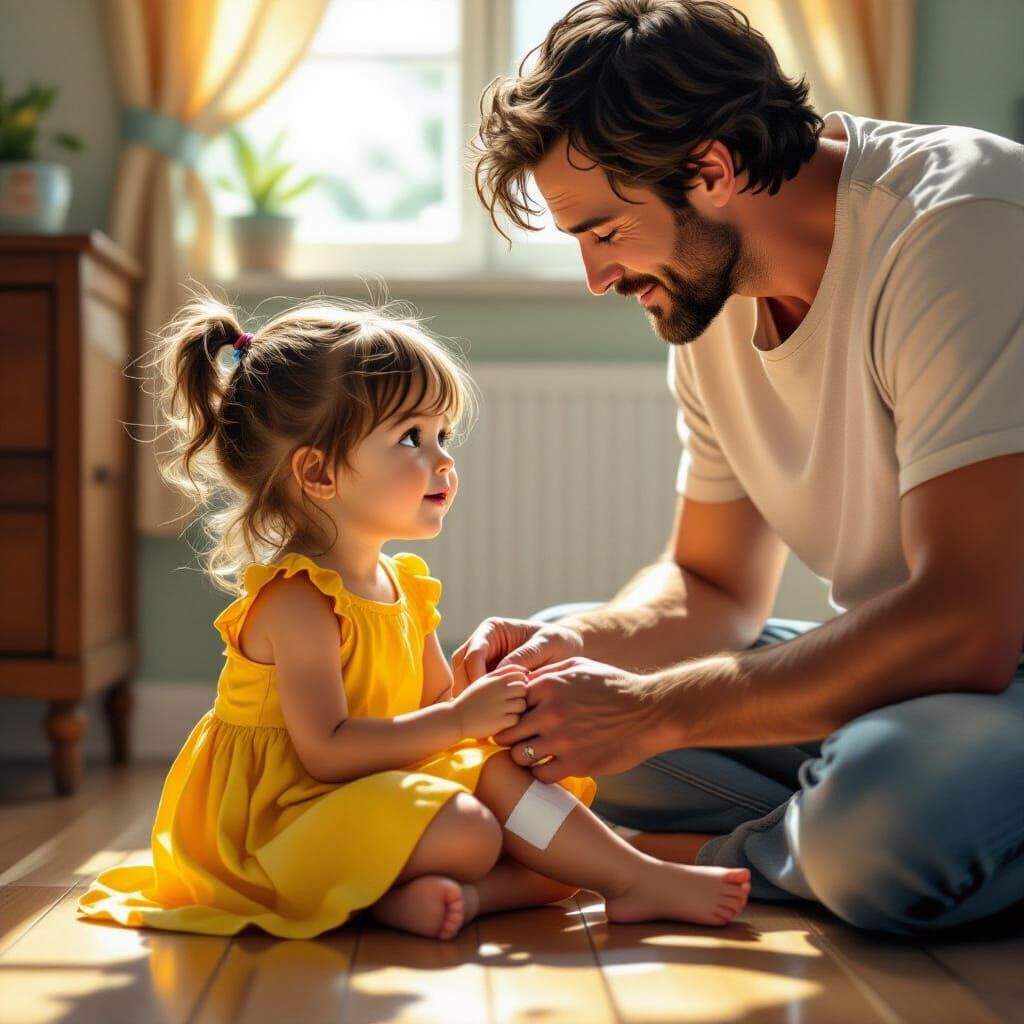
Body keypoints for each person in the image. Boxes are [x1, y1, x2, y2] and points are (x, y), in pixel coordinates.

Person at [466, 0, 1024, 934]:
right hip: (917, 692)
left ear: (712, 169)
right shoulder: (711, 296)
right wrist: (582, 655)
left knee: (881, 814)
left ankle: (680, 861)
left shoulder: (960, 225)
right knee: (551, 688)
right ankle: (808, 842)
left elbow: (970, 624)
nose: (597, 279)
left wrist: (653, 712)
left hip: (989, 670)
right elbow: (713, 583)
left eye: (603, 232)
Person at [76, 291, 750, 941]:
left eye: (442, 433)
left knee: (544, 819)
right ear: (317, 474)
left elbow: (434, 716)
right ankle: (579, 878)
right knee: (475, 828)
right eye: (410, 438)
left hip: (370, 796)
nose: (443, 459)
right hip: (282, 823)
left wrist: (485, 700)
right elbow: (328, 751)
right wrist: (459, 719)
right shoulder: (297, 601)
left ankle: (596, 882)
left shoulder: (404, 586)